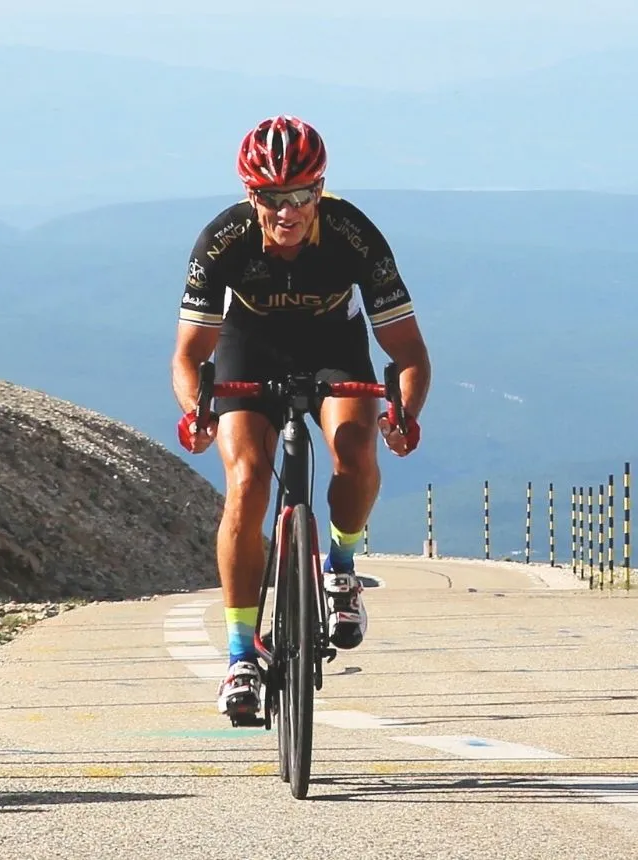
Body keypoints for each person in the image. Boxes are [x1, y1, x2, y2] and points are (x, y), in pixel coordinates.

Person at [170, 114, 431, 721]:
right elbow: (188, 355)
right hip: (248, 347)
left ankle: (340, 566)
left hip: (334, 348)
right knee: (247, 482)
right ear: (249, 195)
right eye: (270, 198)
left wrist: (406, 412)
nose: (287, 212)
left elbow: (408, 351)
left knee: (354, 450)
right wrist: (195, 411)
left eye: (301, 195)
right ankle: (239, 654)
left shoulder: (353, 234)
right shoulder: (223, 240)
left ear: (320, 190)